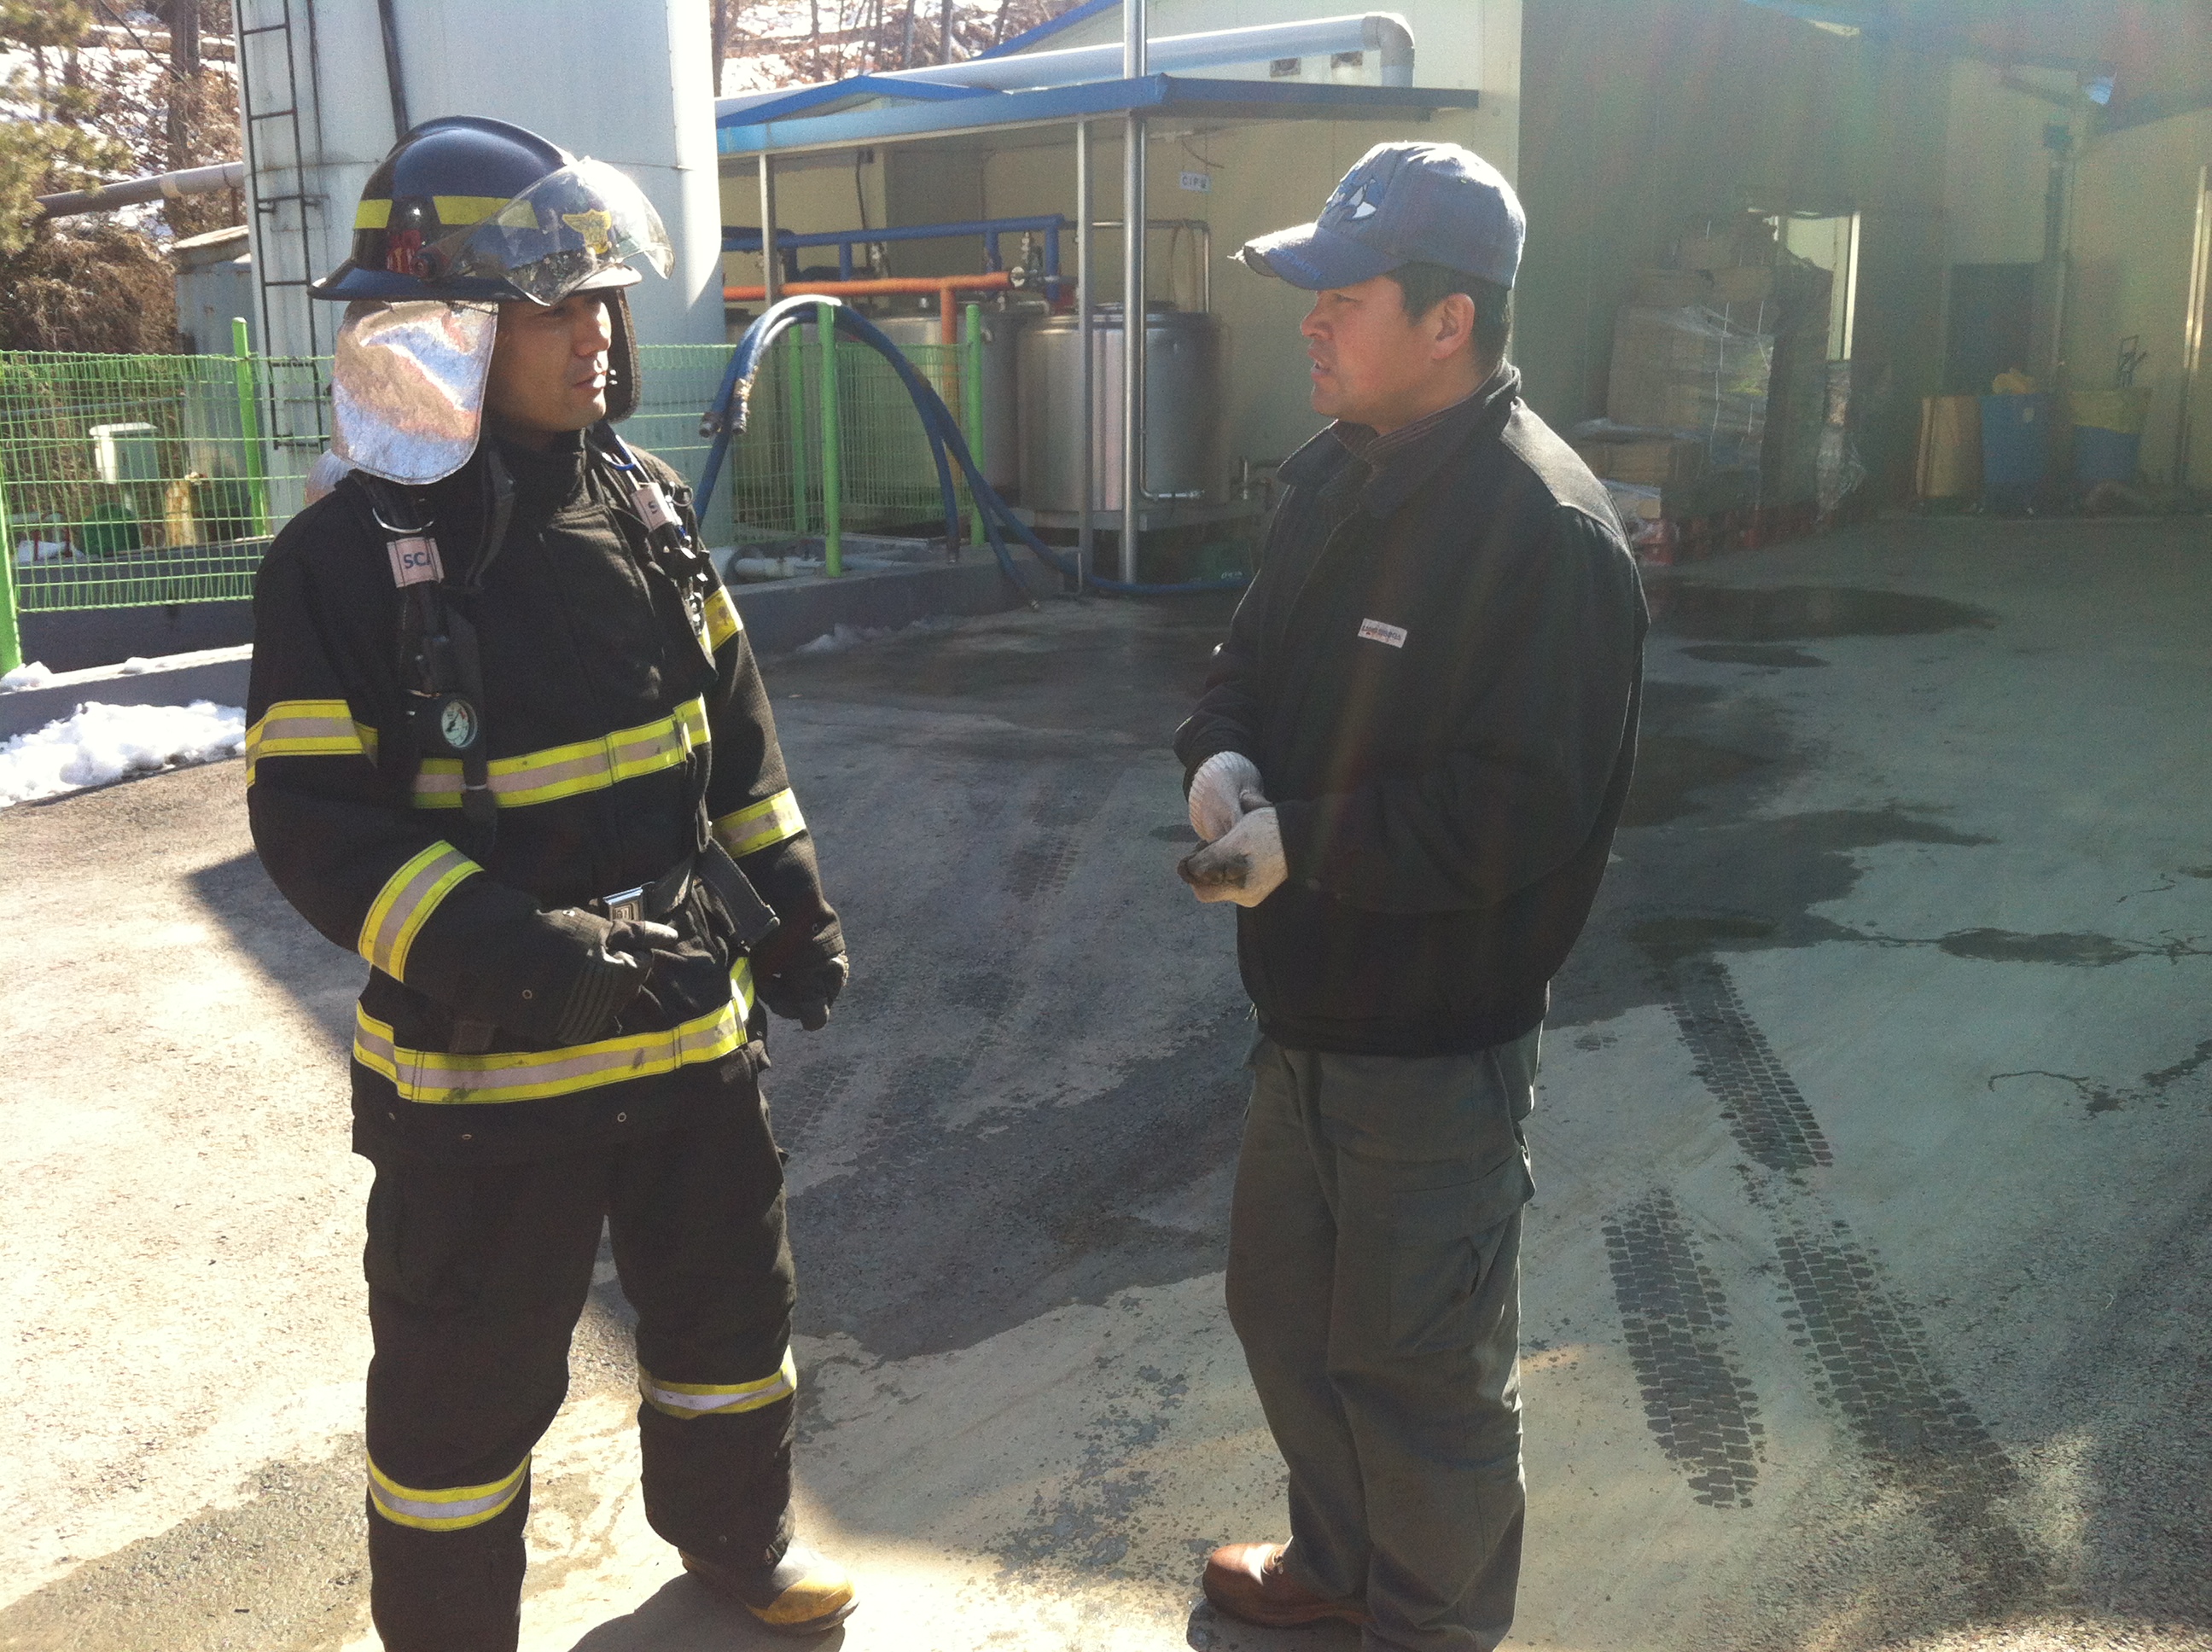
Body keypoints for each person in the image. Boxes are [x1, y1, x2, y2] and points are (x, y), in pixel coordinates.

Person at [244, 117, 855, 1648]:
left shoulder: (643, 503)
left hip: (690, 1042)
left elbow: (732, 737)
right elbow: (316, 828)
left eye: (602, 299)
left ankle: (739, 1544)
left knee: (731, 1321)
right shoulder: (338, 564)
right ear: (442, 326)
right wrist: (520, 956)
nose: (597, 334)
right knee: (459, 1398)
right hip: (483, 1081)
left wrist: (790, 905)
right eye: (552, 305)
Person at [1172, 142, 1647, 1651]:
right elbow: (1242, 662)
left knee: (1420, 1374)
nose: (1310, 320)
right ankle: (1340, 1563)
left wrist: (1303, 844)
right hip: (1304, 1017)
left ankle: (1429, 1628)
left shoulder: (1543, 532)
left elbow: (1517, 813)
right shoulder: (1335, 475)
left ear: (1452, 322)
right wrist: (1221, 755)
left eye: (1345, 295)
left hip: (1438, 1049)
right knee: (1285, 1317)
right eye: (1311, 291)